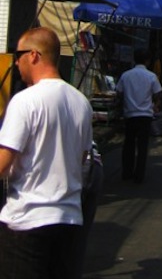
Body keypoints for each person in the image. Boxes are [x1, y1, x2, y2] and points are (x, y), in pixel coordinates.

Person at [0, 27, 93, 278]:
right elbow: (83, 159)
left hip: (28, 221)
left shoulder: (25, 100)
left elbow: (3, 164)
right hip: (69, 221)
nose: (16, 63)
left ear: (33, 55)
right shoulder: (81, 103)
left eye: (18, 55)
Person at [116, 49, 162, 184]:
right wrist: (155, 105)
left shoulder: (126, 75)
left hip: (130, 114)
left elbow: (119, 92)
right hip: (145, 115)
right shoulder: (151, 76)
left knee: (128, 144)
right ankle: (139, 175)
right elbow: (158, 94)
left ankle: (127, 172)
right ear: (147, 61)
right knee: (142, 146)